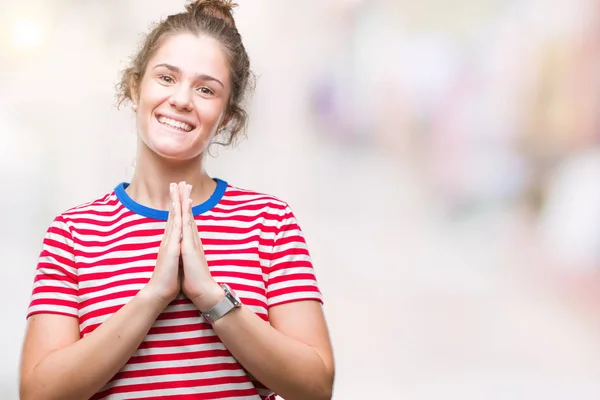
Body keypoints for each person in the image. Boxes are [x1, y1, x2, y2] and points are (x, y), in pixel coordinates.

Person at [18, 1, 335, 399]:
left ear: (227, 116)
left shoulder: (268, 222)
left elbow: (316, 386)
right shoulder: (73, 233)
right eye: (167, 78)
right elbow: (38, 393)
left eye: (206, 89)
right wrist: (154, 295)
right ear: (136, 87)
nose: (182, 99)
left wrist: (211, 295)